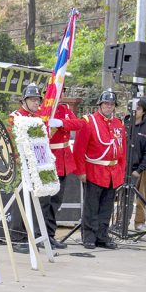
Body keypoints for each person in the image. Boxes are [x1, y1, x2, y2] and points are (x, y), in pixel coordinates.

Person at [73, 89, 126, 250]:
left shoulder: (119, 124)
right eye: (106, 104)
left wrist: (121, 172)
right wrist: (81, 171)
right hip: (94, 171)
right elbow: (78, 149)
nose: (109, 107)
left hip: (112, 172)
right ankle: (88, 236)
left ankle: (102, 236)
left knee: (107, 207)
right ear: (100, 105)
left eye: (111, 104)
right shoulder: (89, 122)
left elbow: (122, 150)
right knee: (91, 206)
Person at [6, 83, 43, 254]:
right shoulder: (15, 117)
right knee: (20, 203)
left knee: (35, 202)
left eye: (38, 100)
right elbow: (9, 140)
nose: (36, 103)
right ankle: (17, 238)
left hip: (34, 166)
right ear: (24, 100)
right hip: (20, 166)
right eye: (33, 99)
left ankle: (30, 235)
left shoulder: (37, 118)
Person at [45, 102, 86, 249]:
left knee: (56, 201)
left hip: (63, 160)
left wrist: (61, 122)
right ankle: (44, 235)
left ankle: (49, 235)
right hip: (48, 159)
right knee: (46, 202)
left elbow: (79, 124)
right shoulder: (43, 109)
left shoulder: (64, 108)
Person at [123, 97, 146, 232]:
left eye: (137, 109)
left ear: (143, 111)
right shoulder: (123, 125)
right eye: (132, 108)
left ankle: (139, 222)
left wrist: (140, 169)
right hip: (124, 168)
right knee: (124, 197)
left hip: (142, 169)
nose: (134, 111)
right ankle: (122, 222)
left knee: (141, 196)